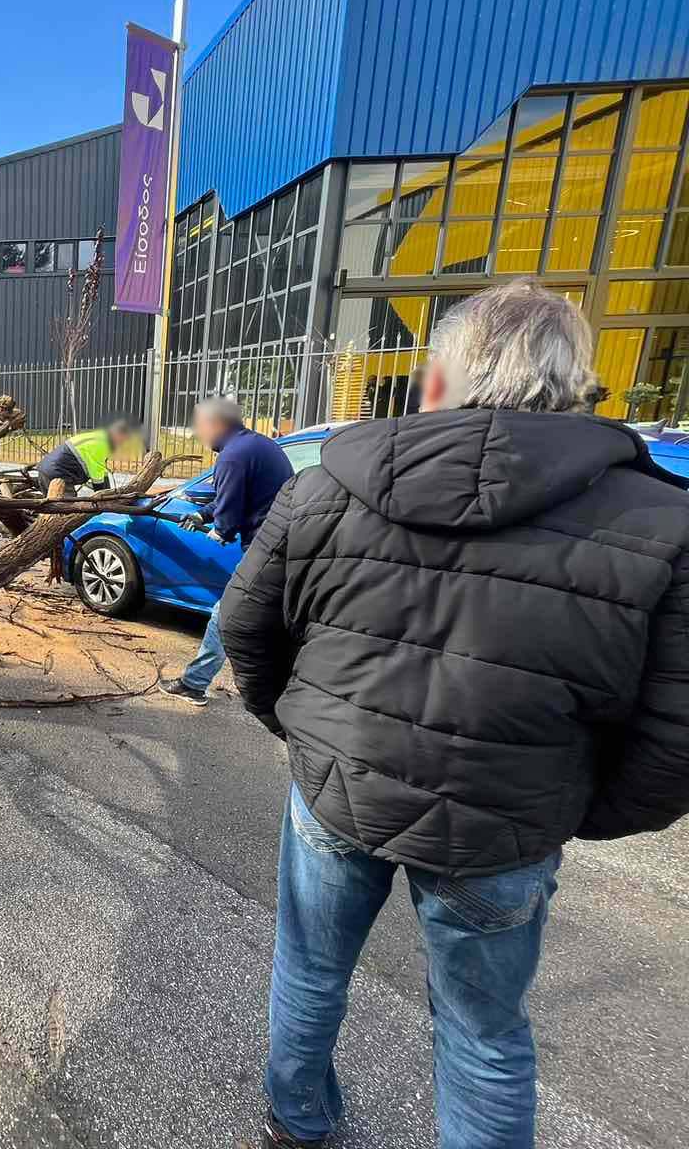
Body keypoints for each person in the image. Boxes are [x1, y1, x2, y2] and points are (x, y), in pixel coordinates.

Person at [220, 279, 689, 1149]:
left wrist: (309, 735)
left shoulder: (327, 488)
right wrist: (567, 811)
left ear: (446, 374)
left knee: (311, 973)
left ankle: (295, 1124)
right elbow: (676, 738)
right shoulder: (664, 520)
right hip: (504, 823)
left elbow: (244, 629)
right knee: (483, 1037)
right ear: (574, 379)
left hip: (339, 786)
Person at [157, 398, 293, 707]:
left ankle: (194, 684)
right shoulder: (256, 445)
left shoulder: (231, 457)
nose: (199, 435)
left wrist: (218, 530)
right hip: (285, 542)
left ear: (217, 424)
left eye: (201, 427)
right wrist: (202, 515)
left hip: (269, 548)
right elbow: (232, 498)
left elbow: (228, 521)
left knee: (226, 613)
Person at [34, 419, 135, 496]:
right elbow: (97, 476)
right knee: (68, 512)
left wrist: (108, 491)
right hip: (56, 475)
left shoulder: (99, 436)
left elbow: (101, 470)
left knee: (52, 510)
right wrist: (103, 497)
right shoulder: (103, 445)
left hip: (46, 470)